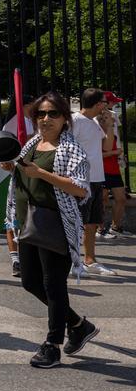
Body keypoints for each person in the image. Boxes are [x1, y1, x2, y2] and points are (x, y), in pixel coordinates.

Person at [1, 91, 99, 368]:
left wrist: (42, 173)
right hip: (28, 222)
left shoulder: (71, 149)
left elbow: (81, 189)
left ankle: (52, 345)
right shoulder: (32, 144)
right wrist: (13, 168)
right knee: (30, 282)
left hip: (55, 224)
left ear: (65, 118)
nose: (46, 119)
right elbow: (26, 173)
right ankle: (78, 325)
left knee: (53, 286)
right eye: (41, 114)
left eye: (53, 113)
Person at [71, 88, 116, 277]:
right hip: (81, 179)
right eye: (104, 102)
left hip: (96, 178)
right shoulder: (75, 120)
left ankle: (89, 260)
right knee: (76, 222)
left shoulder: (95, 121)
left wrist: (109, 125)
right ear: (98, 104)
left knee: (92, 222)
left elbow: (106, 146)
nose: (106, 106)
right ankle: (73, 262)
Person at [0, 95, 35, 277]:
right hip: (16, 177)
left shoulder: (35, 122)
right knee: (12, 218)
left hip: (35, 177)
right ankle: (16, 259)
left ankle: (29, 257)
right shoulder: (16, 122)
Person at [97, 91, 127, 238]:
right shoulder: (96, 131)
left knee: (121, 198)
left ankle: (115, 227)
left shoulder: (112, 132)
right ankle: (100, 229)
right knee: (102, 199)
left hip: (113, 168)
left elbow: (117, 142)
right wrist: (114, 152)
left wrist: (119, 155)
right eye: (106, 118)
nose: (112, 120)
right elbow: (96, 155)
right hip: (101, 169)